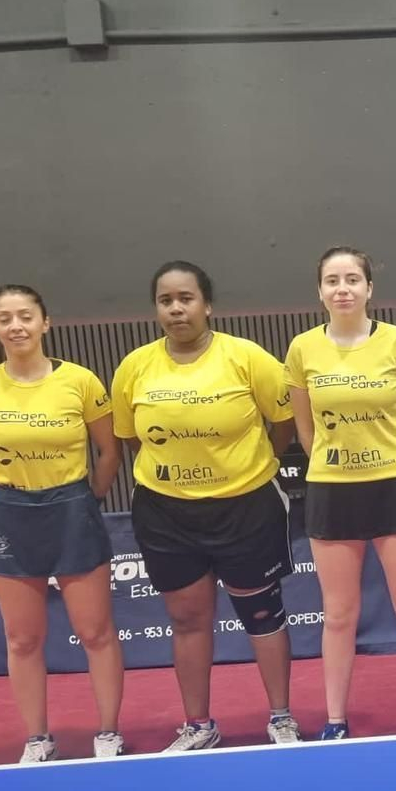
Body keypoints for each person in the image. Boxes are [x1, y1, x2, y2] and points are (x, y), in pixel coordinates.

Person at [112, 261, 300, 749]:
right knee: (188, 620)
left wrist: (250, 466)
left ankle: (281, 718)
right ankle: (199, 725)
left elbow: (282, 422)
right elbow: (132, 437)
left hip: (246, 509)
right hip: (167, 513)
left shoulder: (247, 358)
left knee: (262, 615)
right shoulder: (135, 367)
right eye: (166, 300)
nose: (176, 309)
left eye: (186, 298)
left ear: (207, 304)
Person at [0, 285, 124, 763]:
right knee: (22, 638)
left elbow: (109, 451)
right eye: (5, 318)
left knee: (96, 632)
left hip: (73, 507)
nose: (16, 326)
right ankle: (37, 738)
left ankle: (108, 732)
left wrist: (88, 495)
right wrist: (14, 492)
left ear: (45, 322)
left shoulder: (81, 382)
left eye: (25, 316)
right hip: (11, 512)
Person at [285, 247, 396, 738]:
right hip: (332, 492)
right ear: (320, 291)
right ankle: (335, 720)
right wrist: (338, 465)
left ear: (369, 288)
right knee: (338, 614)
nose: (343, 288)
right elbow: (306, 431)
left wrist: (394, 463)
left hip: (394, 487)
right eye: (332, 280)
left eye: (352, 279)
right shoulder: (302, 349)